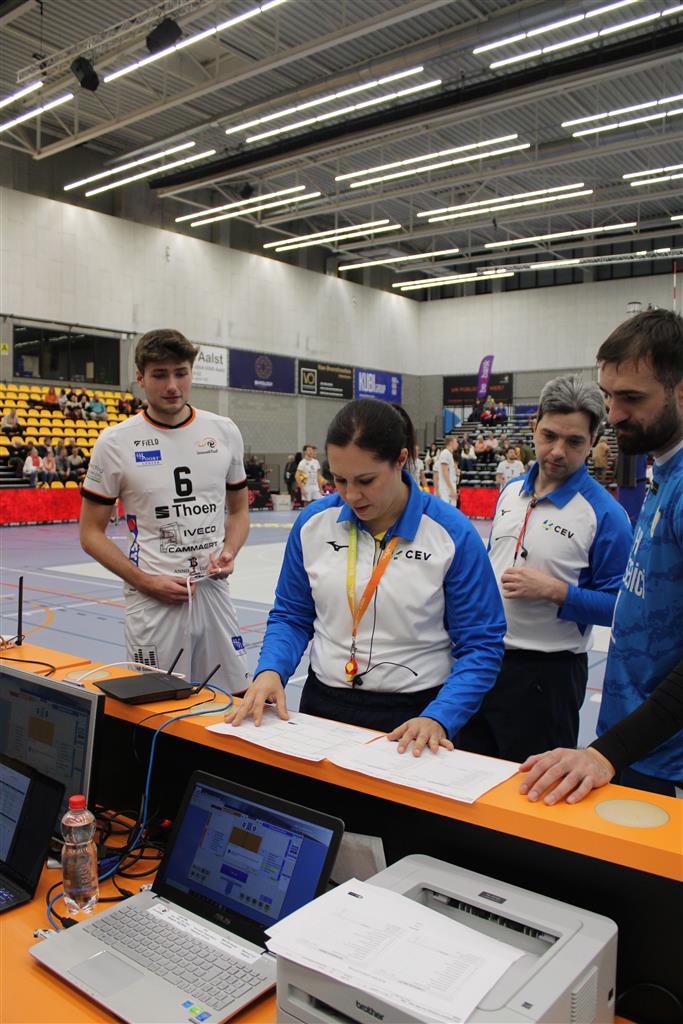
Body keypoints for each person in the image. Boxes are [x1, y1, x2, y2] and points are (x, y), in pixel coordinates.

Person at [225, 398, 506, 755]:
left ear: (400, 460)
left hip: (417, 717)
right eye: (339, 480)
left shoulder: (451, 534)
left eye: (366, 480)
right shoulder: (313, 524)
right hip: (323, 706)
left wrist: (440, 716)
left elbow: (481, 645)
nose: (351, 495)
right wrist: (271, 670)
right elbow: (292, 615)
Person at [520, 310, 683, 802]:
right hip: (635, 742)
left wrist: (607, 752)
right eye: (609, 396)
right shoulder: (663, 473)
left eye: (631, 398)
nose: (613, 414)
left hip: (664, 757)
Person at [457, 375, 632, 763]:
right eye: (549, 435)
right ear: (534, 425)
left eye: (574, 442)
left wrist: (556, 592)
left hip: (548, 676)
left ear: (592, 441)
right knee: (467, 776)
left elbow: (620, 608)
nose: (557, 451)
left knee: (531, 789)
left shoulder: (605, 515)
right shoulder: (510, 492)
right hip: (483, 659)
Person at [80, 328, 251, 694]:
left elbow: (238, 512)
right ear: (140, 377)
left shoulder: (224, 431)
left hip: (212, 591)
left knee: (233, 700)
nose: (172, 385)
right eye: (159, 375)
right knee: (156, 704)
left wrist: (230, 551)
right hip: (154, 600)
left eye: (181, 373)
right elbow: (90, 533)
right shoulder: (115, 443)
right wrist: (144, 581)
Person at [435, 435, 459, 506]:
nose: (457, 444)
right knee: (446, 509)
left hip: (449, 487)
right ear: (451, 443)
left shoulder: (449, 454)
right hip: (445, 489)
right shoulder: (445, 453)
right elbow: (444, 472)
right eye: (456, 442)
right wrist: (451, 489)